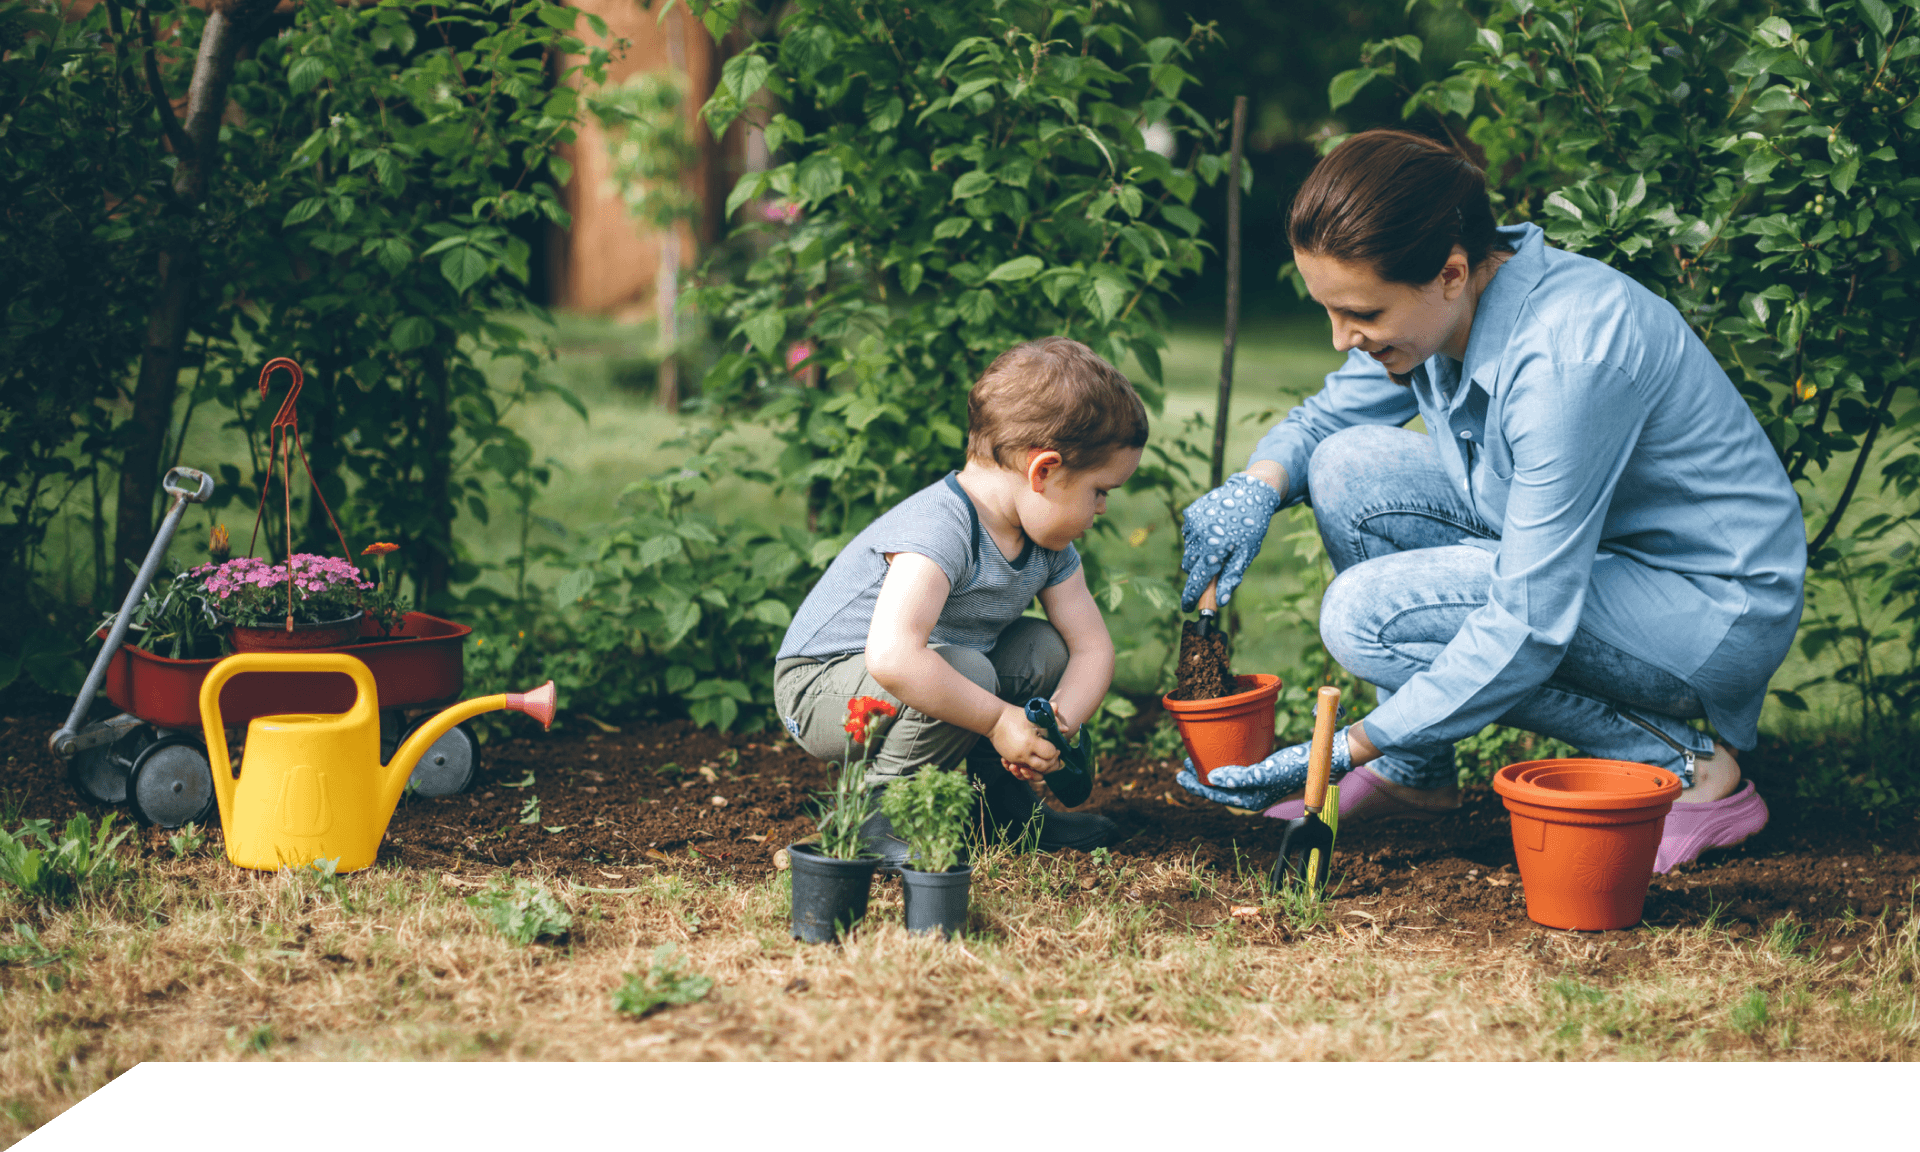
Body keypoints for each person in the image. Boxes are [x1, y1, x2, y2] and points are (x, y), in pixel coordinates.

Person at [1175, 130, 1803, 872]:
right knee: (1346, 467)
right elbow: (1323, 425)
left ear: (1449, 272)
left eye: (1363, 315)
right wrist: (1258, 486)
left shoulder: (1566, 356)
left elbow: (1529, 621)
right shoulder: (1447, 307)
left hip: (1706, 609)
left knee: (1364, 615)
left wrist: (1355, 742)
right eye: (1330, 311)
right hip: (1606, 557)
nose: (1343, 337)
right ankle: (1419, 775)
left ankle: (1689, 769)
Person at [775, 337, 1144, 866]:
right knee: (968, 671)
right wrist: (998, 722)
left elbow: (1091, 649)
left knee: (1043, 647)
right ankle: (877, 817)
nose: (1104, 508)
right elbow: (894, 657)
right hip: (820, 688)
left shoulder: (1048, 543)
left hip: (923, 670)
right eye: (1100, 490)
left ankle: (1003, 810)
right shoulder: (941, 528)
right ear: (1043, 471)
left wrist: (1051, 729)